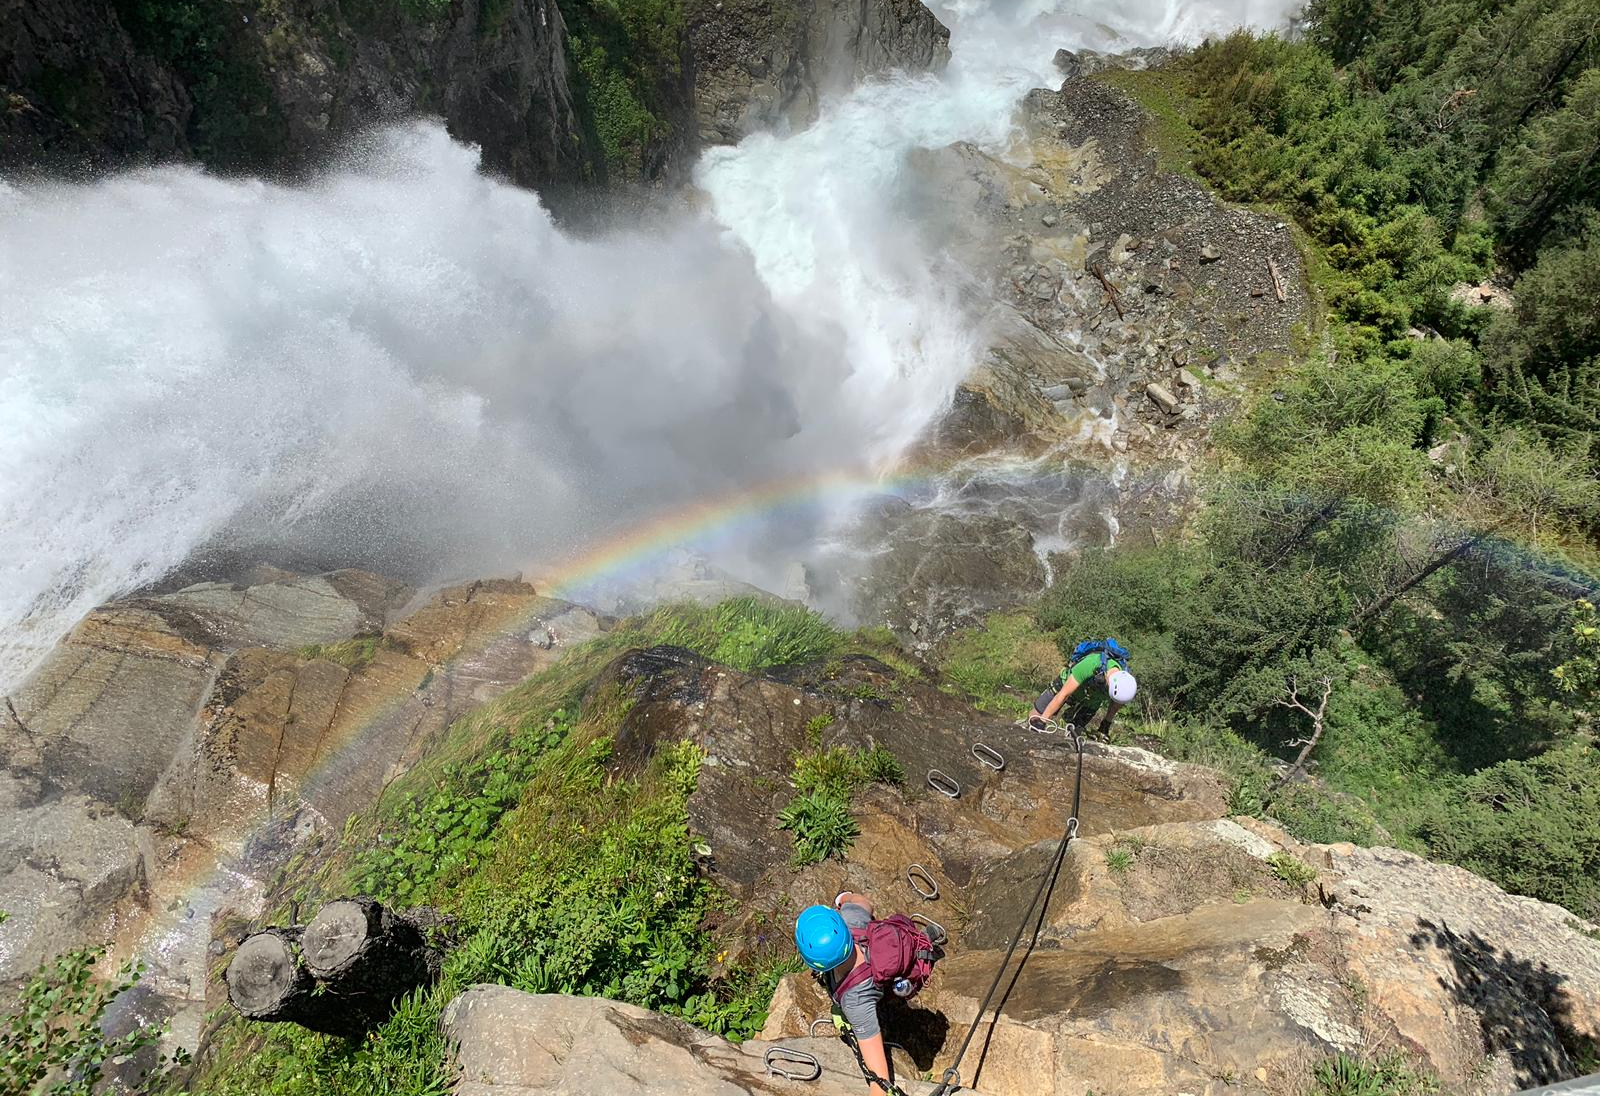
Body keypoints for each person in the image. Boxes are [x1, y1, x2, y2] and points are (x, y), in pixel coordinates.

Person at [794, 892, 936, 1096]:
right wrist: (844, 898)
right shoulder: (852, 920)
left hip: (868, 987)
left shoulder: (855, 1001)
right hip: (890, 951)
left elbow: (879, 1076)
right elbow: (862, 902)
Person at [1030, 637, 1137, 739]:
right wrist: (1042, 721)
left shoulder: (1124, 686)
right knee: (1034, 718)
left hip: (1091, 702)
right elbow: (1063, 694)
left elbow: (1115, 706)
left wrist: (1105, 725)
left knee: (1074, 736)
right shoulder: (1092, 664)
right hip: (1066, 685)